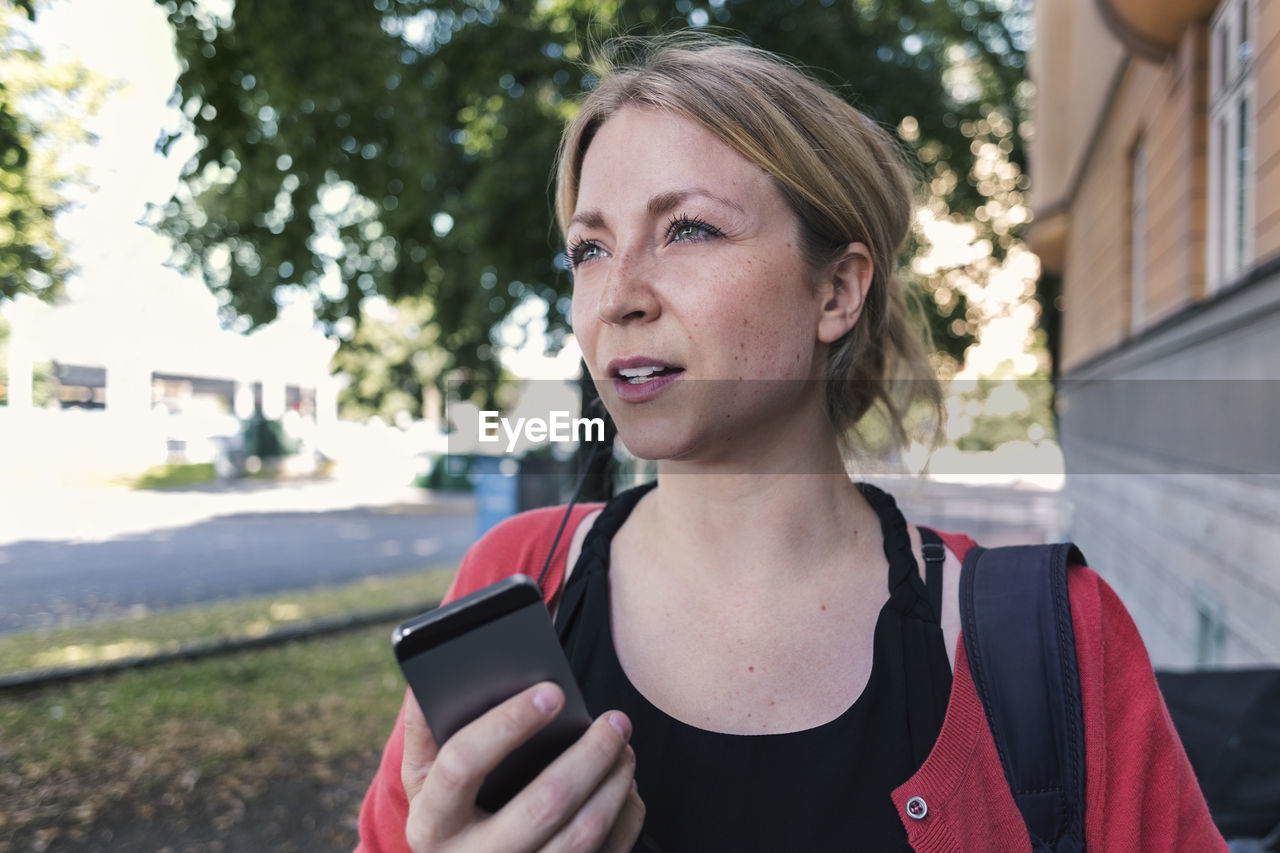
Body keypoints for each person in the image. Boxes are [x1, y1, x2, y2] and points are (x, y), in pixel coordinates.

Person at [356, 34, 1226, 853]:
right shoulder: (517, 583)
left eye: (687, 228)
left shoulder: (1055, 639)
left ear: (838, 292)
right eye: (589, 248)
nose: (616, 297)